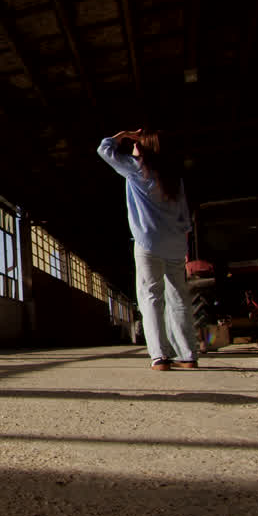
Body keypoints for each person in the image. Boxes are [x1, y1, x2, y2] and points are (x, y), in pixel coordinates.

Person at [97, 129, 198, 370]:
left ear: (142, 148)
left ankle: (160, 357)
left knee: (151, 297)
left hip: (148, 242)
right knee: (179, 299)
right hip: (175, 244)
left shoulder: (135, 169)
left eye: (136, 144)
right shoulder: (174, 177)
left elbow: (105, 149)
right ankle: (188, 356)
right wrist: (183, 245)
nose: (133, 146)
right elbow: (186, 217)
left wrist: (124, 134)